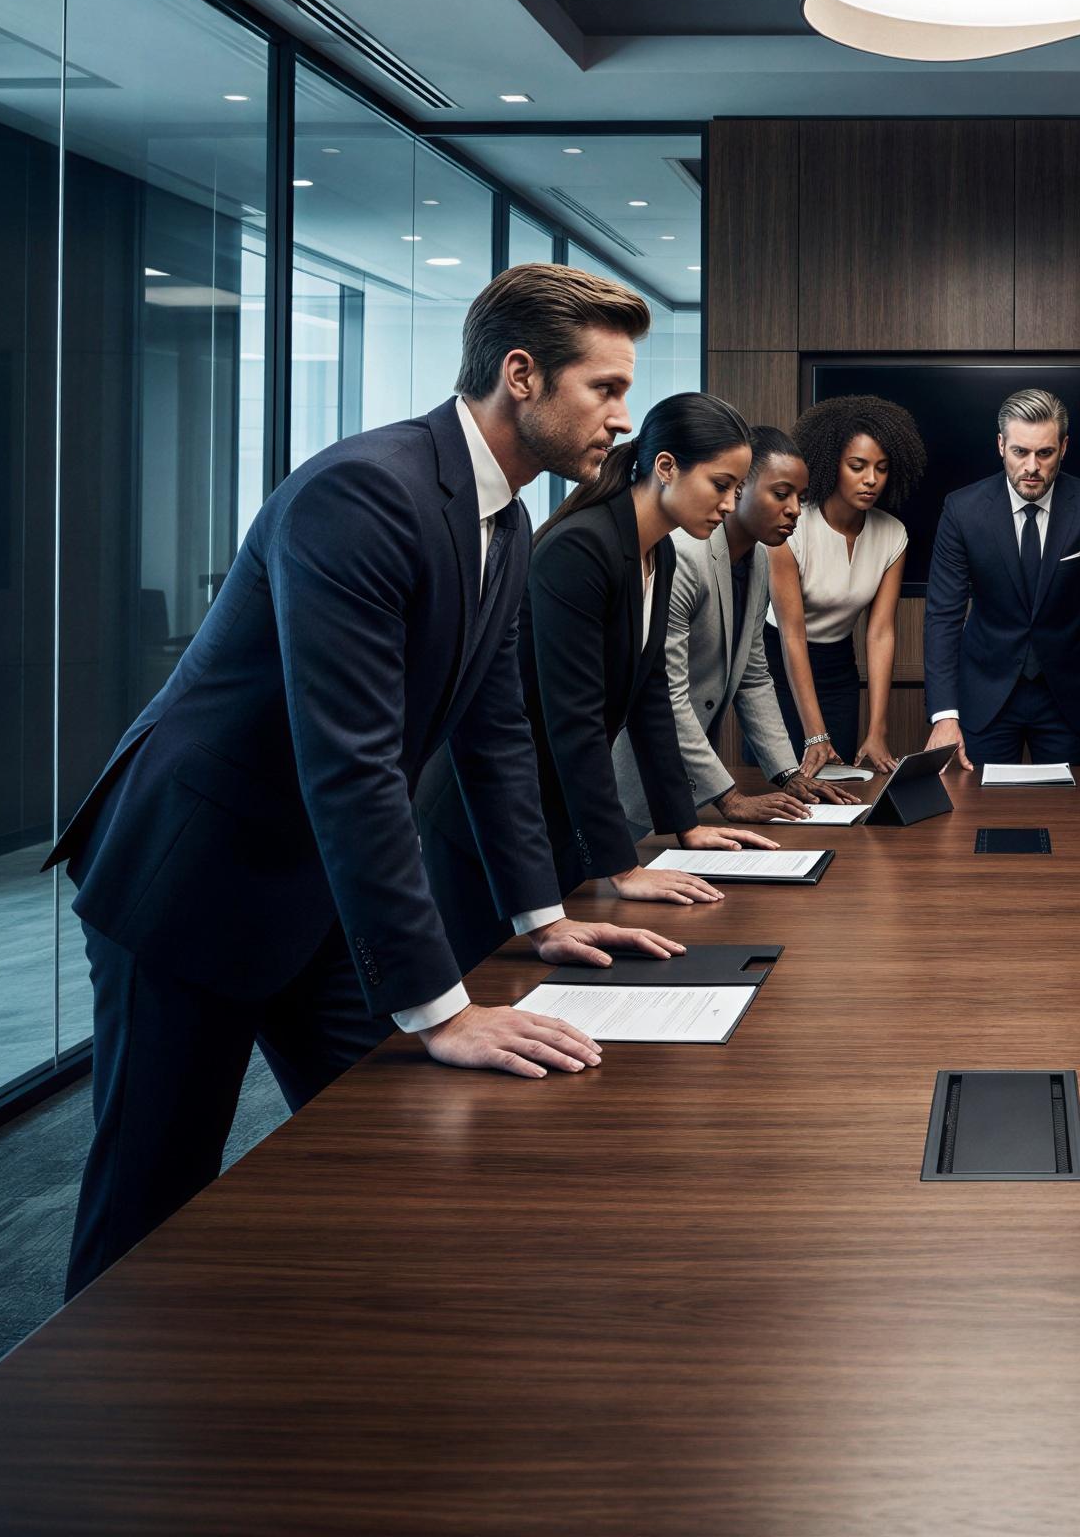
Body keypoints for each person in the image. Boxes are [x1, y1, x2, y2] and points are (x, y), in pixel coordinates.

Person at [50, 265, 682, 1295]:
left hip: (316, 886)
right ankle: (80, 1438)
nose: (622, 413)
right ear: (521, 375)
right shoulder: (367, 490)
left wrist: (542, 914)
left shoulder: (508, 521)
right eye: (604, 387)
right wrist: (443, 1008)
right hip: (192, 876)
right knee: (150, 1204)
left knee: (415, 1132)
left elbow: (490, 733)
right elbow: (350, 760)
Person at [420, 391, 787, 968]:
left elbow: (649, 702)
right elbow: (576, 720)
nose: (729, 504)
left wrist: (684, 827)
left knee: (559, 989)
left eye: (738, 490)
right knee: (485, 992)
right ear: (666, 466)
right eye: (721, 484)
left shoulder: (657, 553)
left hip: (557, 814)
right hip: (484, 824)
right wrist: (623, 866)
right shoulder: (581, 548)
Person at [622, 424, 840, 830]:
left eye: (800, 497)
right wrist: (729, 798)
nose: (794, 509)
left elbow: (753, 675)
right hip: (634, 775)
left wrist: (788, 774)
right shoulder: (686, 557)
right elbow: (668, 694)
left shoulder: (758, 560)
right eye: (781, 494)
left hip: (682, 784)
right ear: (740, 487)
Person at [924, 388, 1080, 771]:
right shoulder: (962, 510)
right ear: (1000, 445)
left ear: (1064, 447)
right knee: (976, 817)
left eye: (1044, 453)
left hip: (1068, 694)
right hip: (985, 692)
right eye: (1020, 452)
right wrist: (945, 715)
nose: (1031, 466)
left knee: (1070, 820)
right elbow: (943, 615)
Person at [766, 393, 927, 775]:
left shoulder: (892, 534)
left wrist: (878, 730)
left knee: (840, 782)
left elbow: (880, 633)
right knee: (787, 781)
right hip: (778, 662)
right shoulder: (792, 526)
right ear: (831, 464)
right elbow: (793, 635)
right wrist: (814, 733)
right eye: (857, 466)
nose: (871, 479)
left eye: (882, 468)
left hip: (838, 664)